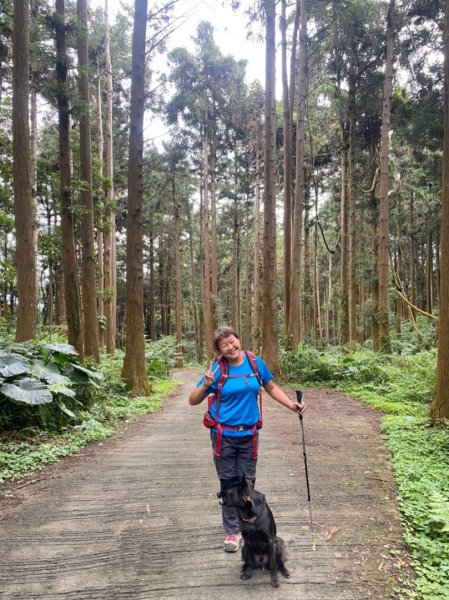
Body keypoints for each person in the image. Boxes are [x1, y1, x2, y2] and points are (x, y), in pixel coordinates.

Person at [189, 326, 305, 553]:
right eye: (225, 345)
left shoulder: (255, 363)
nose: (230, 347)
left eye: (232, 341)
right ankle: (232, 531)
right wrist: (205, 384)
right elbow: (192, 400)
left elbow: (271, 387)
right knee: (228, 482)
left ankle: (248, 523)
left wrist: (293, 405)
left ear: (239, 340)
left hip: (249, 434)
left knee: (247, 483)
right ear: (220, 351)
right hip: (224, 435)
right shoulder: (217, 369)